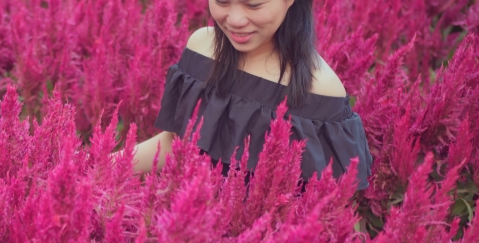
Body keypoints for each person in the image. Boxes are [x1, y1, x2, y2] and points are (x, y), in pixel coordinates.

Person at [128, 0, 373, 191]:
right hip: (189, 224)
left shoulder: (320, 88)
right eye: (223, 2)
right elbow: (177, 143)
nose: (234, 19)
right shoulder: (202, 47)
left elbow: (326, 205)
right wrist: (101, 164)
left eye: (253, 5)